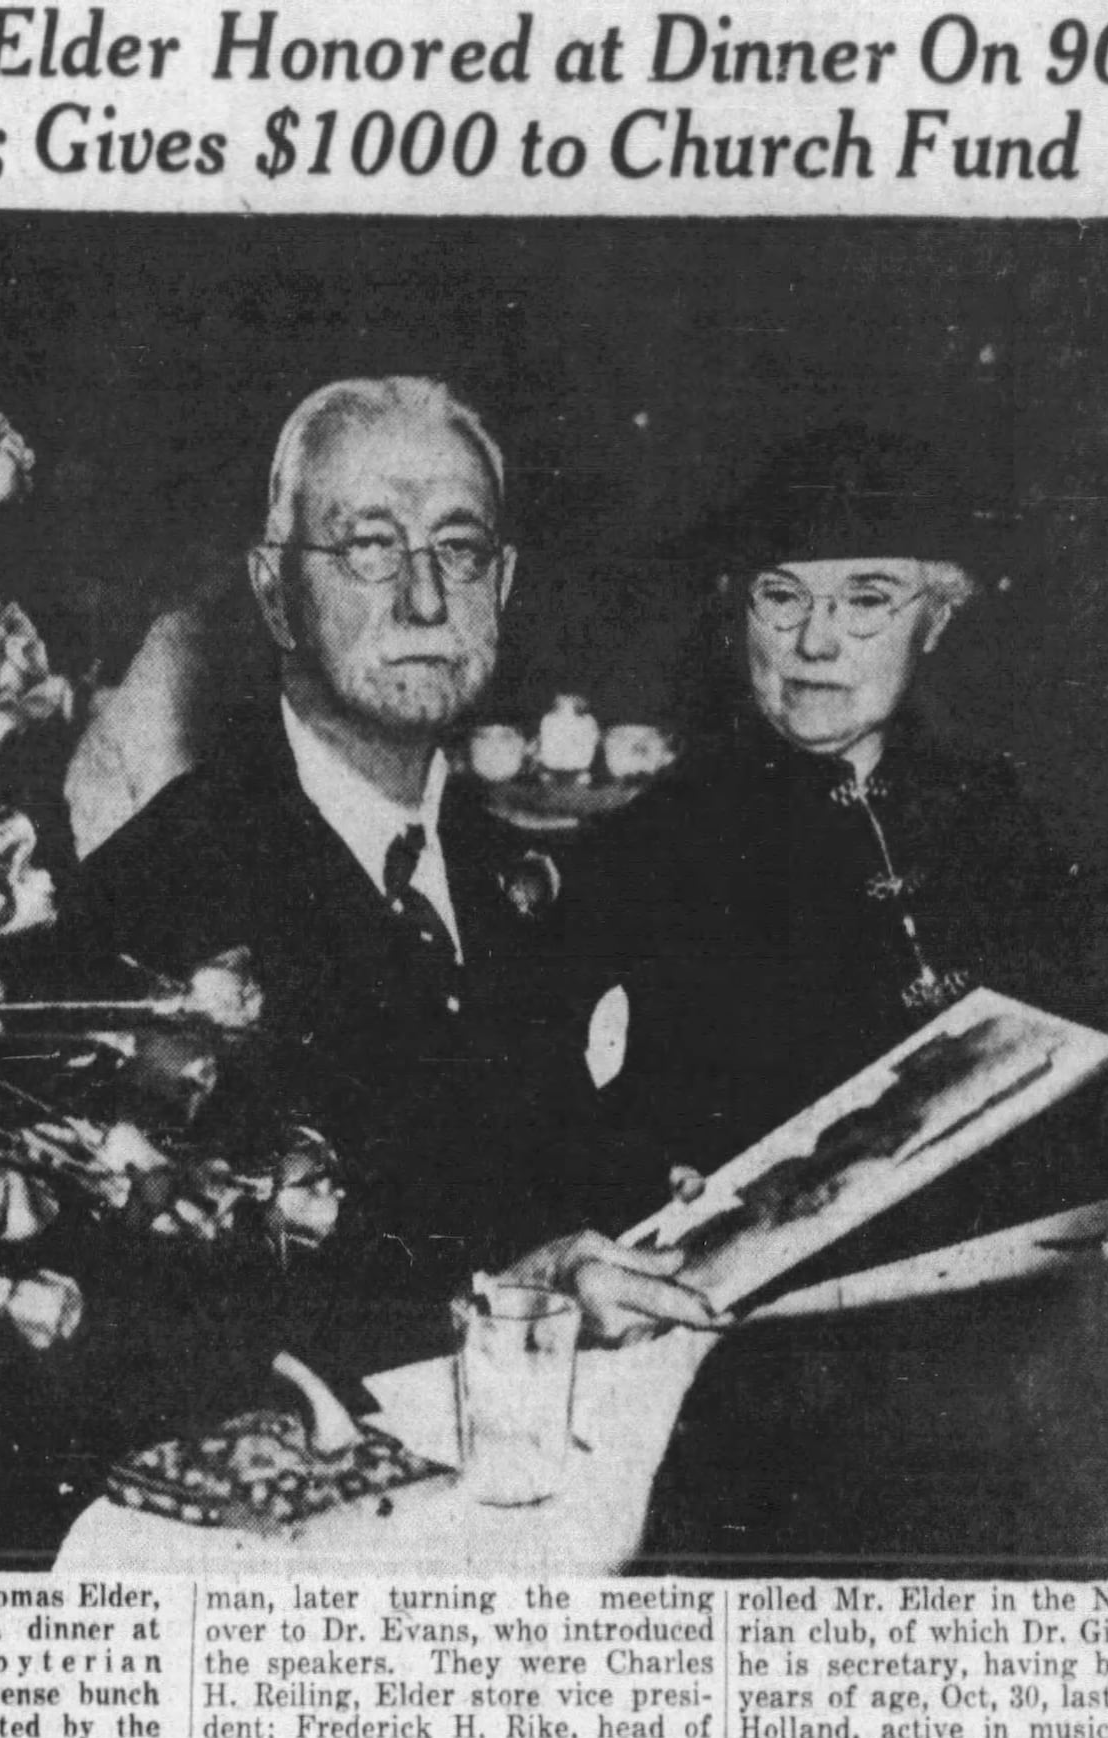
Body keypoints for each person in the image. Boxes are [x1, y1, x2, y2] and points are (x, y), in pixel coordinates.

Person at [59, 377, 710, 1417]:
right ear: (273, 593)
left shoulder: (521, 868)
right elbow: (150, 1324)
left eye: (457, 550)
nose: (422, 599)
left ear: (500, 586)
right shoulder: (153, 898)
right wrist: (494, 1305)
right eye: (368, 545)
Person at [587, 423, 1108, 1192]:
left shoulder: (1008, 810)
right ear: (740, 615)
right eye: (782, 596)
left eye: (867, 600)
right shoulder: (656, 845)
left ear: (937, 621)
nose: (814, 642)